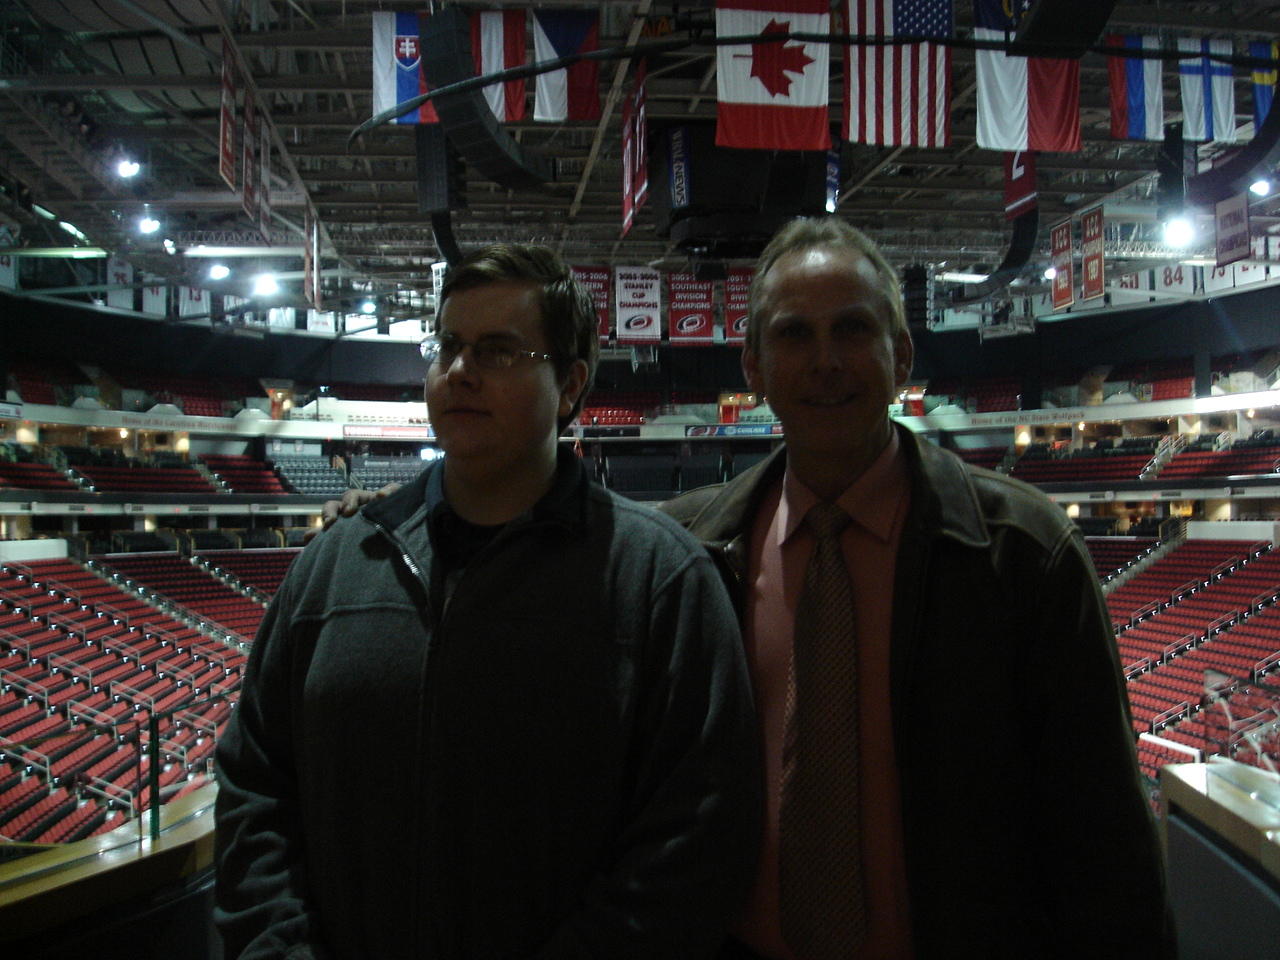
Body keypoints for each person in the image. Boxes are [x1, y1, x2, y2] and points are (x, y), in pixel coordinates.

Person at [214, 244, 762, 960]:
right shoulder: (333, 568)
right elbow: (255, 788)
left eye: (499, 352)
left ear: (570, 386)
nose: (460, 371)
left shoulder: (661, 581)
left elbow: (695, 841)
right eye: (448, 347)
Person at [662, 217, 1178, 960]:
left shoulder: (1025, 553)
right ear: (753, 367)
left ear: (901, 354)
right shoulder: (688, 556)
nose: (826, 360)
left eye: (853, 329)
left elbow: (1104, 841)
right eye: (794, 335)